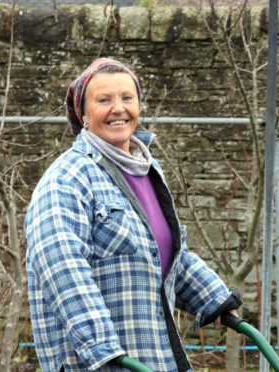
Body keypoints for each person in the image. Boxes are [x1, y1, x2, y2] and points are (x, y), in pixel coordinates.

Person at [25, 57, 240, 371]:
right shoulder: (67, 179)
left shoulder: (149, 172)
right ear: (83, 114)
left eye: (127, 97)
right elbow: (61, 268)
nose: (118, 108)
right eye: (104, 100)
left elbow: (165, 255)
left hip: (152, 355)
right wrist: (103, 348)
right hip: (97, 362)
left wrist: (213, 298)